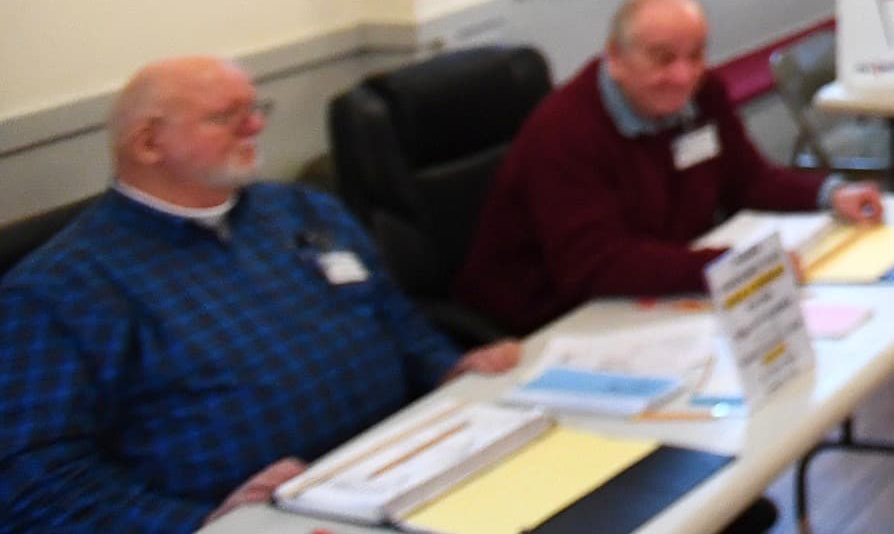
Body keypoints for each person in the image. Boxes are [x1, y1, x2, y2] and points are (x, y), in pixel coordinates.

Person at [0, 56, 521, 533]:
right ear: (147, 144)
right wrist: (205, 522)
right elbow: (36, 484)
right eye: (226, 116)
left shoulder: (303, 211)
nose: (256, 126)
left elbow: (395, 320)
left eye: (255, 109)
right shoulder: (62, 290)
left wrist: (450, 369)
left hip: (398, 476)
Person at [454, 0, 883, 336]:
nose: (683, 75)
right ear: (616, 59)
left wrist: (830, 193)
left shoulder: (702, 94)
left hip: (654, 295)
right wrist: (734, 268)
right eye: (662, 59)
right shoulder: (565, 132)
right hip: (550, 322)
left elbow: (747, 179)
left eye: (696, 55)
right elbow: (598, 264)